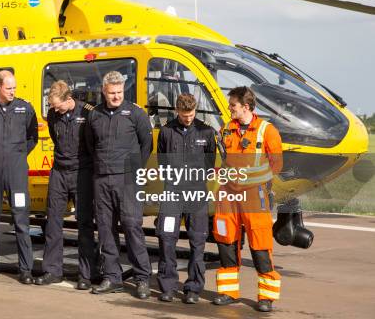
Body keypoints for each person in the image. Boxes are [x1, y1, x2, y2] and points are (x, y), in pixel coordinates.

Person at [212, 86, 283, 313]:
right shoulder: (226, 129)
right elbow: (222, 162)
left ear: (246, 106)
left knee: (260, 244)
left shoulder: (267, 130)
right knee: (225, 241)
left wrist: (247, 179)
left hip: (254, 196)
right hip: (228, 196)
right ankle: (228, 293)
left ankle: (266, 297)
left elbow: (277, 166)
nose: (229, 108)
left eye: (233, 105)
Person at [85, 71, 153, 299]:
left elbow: (146, 145)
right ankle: (112, 277)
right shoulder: (94, 115)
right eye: (112, 93)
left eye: (119, 92)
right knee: (105, 229)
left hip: (128, 180)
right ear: (104, 92)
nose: (116, 96)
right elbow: (89, 145)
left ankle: (142, 278)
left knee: (132, 227)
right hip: (102, 179)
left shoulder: (136, 114)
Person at [0, 70, 38, 284]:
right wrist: (0, 154)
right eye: (9, 88)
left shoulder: (25, 109)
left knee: (21, 219)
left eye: (14, 88)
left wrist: (17, 155)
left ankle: (26, 269)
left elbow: (33, 137)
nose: (12, 91)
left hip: (17, 169)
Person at [34, 81, 98, 289]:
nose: (55, 110)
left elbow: (93, 144)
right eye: (52, 106)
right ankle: (52, 270)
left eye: (57, 105)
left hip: (82, 172)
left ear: (69, 100)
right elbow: (55, 136)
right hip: (59, 171)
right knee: (53, 221)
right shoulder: (54, 115)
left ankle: (87, 274)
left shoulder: (88, 113)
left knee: (85, 223)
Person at [155, 93, 216, 303]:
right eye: (184, 114)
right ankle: (168, 286)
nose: (188, 118)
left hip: (197, 193)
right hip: (172, 193)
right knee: (167, 238)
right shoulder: (166, 131)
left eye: (191, 114)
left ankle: (193, 288)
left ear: (195, 111)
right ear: (177, 111)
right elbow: (161, 161)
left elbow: (210, 163)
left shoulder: (206, 131)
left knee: (197, 240)